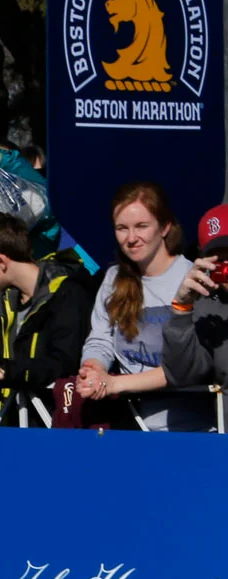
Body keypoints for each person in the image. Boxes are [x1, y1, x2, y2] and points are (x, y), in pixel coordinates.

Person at [74, 182, 208, 430]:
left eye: (142, 227)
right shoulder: (114, 278)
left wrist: (115, 384)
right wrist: (93, 368)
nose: (131, 238)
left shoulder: (191, 279)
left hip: (189, 428)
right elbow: (101, 339)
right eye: (122, 228)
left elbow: (187, 367)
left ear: (165, 227)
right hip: (128, 422)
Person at [0, 213, 91, 427]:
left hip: (57, 427)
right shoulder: (1, 302)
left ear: (0, 261)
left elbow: (64, 363)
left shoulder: (69, 293)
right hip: (13, 425)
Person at [163, 203, 228, 398]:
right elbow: (181, 376)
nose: (226, 267)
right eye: (218, 260)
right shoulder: (208, 309)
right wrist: (182, 308)